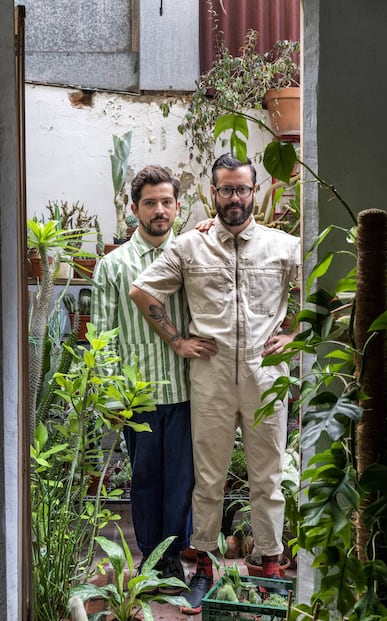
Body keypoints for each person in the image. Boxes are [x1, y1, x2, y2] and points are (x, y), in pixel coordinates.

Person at [129, 153, 301, 614]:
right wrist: (177, 341)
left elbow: (320, 291)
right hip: (211, 375)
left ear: (255, 191)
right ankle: (204, 560)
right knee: (208, 478)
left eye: (242, 189)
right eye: (225, 190)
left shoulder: (285, 246)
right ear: (213, 193)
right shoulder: (189, 246)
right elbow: (142, 290)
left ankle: (269, 560)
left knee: (269, 476)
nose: (234, 199)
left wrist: (295, 335)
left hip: (266, 378)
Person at [91, 165, 194, 593]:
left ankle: (174, 559)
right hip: (140, 397)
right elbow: (102, 334)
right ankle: (151, 560)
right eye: (150, 202)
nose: (159, 210)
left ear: (177, 206)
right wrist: (114, 399)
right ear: (134, 209)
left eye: (167, 201)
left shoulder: (191, 255)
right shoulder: (114, 266)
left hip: (189, 391)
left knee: (184, 480)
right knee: (147, 479)